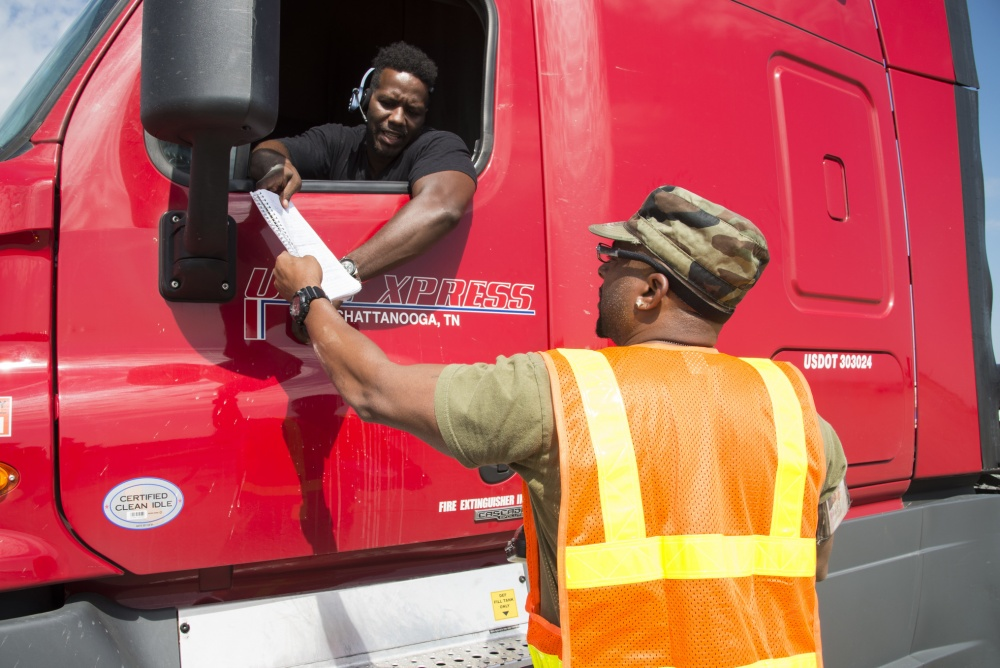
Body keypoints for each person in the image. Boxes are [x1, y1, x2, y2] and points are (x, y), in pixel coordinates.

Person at [272, 185, 849, 668]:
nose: (602, 276)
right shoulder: (799, 414)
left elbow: (375, 390)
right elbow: (811, 566)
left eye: (613, 262)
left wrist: (309, 295)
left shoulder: (564, 393)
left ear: (653, 292)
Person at [250, 42, 477, 283]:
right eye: (388, 103)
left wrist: (343, 275)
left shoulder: (438, 146)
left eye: (413, 111)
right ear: (365, 99)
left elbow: (442, 208)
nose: (398, 119)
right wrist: (276, 166)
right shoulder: (336, 140)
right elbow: (266, 151)